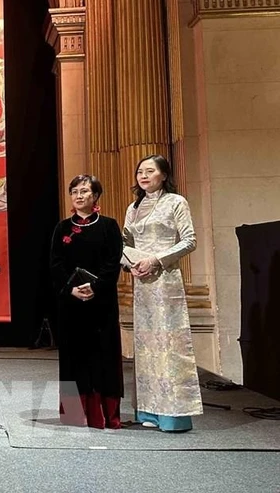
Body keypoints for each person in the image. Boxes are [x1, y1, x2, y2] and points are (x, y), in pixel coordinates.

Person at [123, 154, 201, 432]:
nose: (143, 176)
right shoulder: (134, 207)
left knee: (169, 344)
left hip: (165, 280)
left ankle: (174, 414)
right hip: (142, 284)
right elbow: (124, 242)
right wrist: (131, 263)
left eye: (150, 171)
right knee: (145, 346)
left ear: (164, 175)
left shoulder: (176, 202)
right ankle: (149, 410)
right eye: (139, 171)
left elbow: (190, 240)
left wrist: (155, 260)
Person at [49, 174, 124, 429]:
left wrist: (95, 287)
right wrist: (71, 289)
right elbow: (55, 265)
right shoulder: (62, 228)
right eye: (74, 192)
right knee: (72, 358)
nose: (79, 196)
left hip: (101, 303)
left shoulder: (109, 226)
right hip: (71, 305)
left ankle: (106, 416)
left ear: (96, 196)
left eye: (84, 191)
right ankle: (73, 414)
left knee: (104, 356)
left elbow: (113, 263)